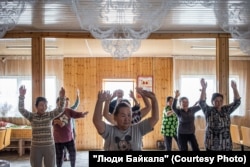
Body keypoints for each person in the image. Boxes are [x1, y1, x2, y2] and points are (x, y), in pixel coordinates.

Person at [93, 89, 159, 151]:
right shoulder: (110, 131)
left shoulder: (138, 129)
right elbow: (97, 121)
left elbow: (155, 118)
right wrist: (100, 101)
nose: (127, 119)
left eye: (129, 115)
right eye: (123, 116)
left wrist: (154, 99)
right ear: (115, 117)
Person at [18, 85, 66, 167]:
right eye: (41, 105)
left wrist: (62, 97)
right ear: (36, 106)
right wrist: (21, 96)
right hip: (36, 147)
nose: (43, 107)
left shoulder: (49, 115)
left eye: (45, 105)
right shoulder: (31, 116)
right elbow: (21, 109)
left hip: (49, 146)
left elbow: (60, 109)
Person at [199, 78, 241, 151]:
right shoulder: (208, 110)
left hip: (226, 143)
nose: (219, 102)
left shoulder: (226, 109)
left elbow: (237, 102)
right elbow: (201, 102)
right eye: (216, 101)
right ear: (212, 102)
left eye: (221, 101)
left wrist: (234, 89)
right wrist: (203, 89)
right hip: (211, 143)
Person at [53, 97, 88, 167]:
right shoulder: (53, 112)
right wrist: (55, 121)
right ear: (57, 103)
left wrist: (82, 114)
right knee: (59, 157)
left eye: (64, 102)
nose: (64, 103)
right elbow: (52, 122)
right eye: (61, 102)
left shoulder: (68, 110)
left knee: (73, 154)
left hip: (69, 138)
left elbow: (75, 114)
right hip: (58, 140)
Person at [63, 89, 80, 161]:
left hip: (72, 130)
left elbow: (76, 104)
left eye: (68, 102)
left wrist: (78, 96)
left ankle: (71, 156)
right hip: (63, 130)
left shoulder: (71, 109)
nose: (66, 104)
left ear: (69, 103)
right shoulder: (61, 110)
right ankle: (64, 156)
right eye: (65, 102)